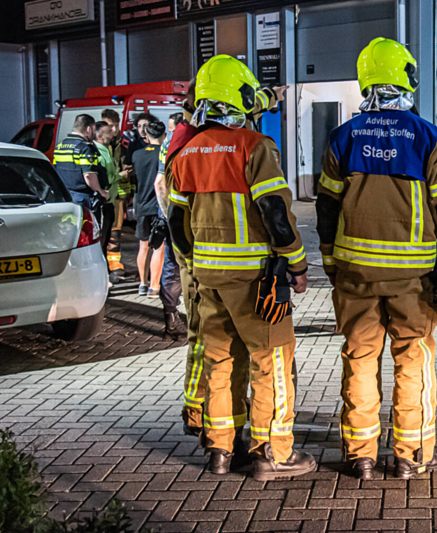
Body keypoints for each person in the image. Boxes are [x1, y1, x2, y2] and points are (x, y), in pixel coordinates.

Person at [316, 37, 437, 480]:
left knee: (360, 358)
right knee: (412, 360)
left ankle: (360, 455)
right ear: (405, 78)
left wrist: (329, 260)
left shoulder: (343, 137)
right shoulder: (428, 137)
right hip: (413, 277)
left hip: (354, 273)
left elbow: (326, 208)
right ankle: (410, 455)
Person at [168, 55, 315, 480]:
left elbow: (177, 223)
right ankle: (273, 453)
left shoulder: (185, 152)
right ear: (240, 98)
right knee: (272, 363)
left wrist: (196, 265)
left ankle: (220, 449)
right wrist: (296, 262)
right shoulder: (254, 146)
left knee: (220, 362)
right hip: (254, 281)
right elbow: (274, 211)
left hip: (208, 279)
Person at [160, 79, 290, 437]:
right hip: (225, 263)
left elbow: (176, 213)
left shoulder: (188, 140)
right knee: (223, 344)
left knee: (216, 348)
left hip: (204, 260)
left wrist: (270, 96)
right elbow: (273, 209)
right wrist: (294, 260)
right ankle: (203, 413)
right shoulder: (206, 142)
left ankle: (219, 434)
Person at [133, 119, 166, 299]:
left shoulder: (137, 155)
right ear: (164, 135)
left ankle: (142, 284)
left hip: (141, 204)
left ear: (146, 135)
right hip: (157, 206)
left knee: (143, 246)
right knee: (158, 247)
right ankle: (154, 287)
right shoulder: (163, 154)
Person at [53, 114, 110, 214]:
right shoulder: (85, 148)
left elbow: (55, 170)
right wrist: (101, 192)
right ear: (88, 129)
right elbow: (89, 175)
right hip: (82, 198)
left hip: (65, 197)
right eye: (93, 130)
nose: (94, 134)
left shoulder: (60, 146)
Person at [101, 109, 127, 279]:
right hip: (105, 194)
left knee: (116, 232)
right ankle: (106, 266)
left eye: (116, 126)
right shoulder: (101, 146)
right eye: (110, 126)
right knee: (105, 232)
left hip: (118, 195)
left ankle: (115, 265)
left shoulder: (122, 145)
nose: (114, 130)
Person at [93, 121, 121, 257]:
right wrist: (121, 175)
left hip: (110, 200)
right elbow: (106, 178)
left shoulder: (106, 150)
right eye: (109, 132)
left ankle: (104, 263)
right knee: (102, 237)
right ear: (99, 135)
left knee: (106, 236)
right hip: (103, 201)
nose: (113, 134)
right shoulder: (98, 151)